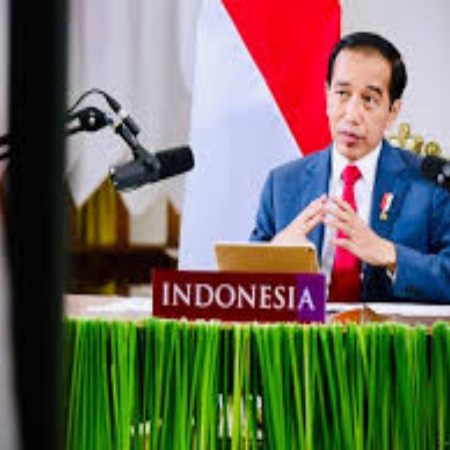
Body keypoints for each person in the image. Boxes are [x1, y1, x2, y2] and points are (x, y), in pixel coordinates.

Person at [250, 31, 450, 303]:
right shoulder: (283, 184)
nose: (352, 114)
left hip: (389, 331)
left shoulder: (428, 184)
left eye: (369, 99)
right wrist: (275, 255)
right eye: (342, 94)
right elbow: (243, 289)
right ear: (327, 96)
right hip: (304, 329)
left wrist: (389, 254)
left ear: (392, 111)